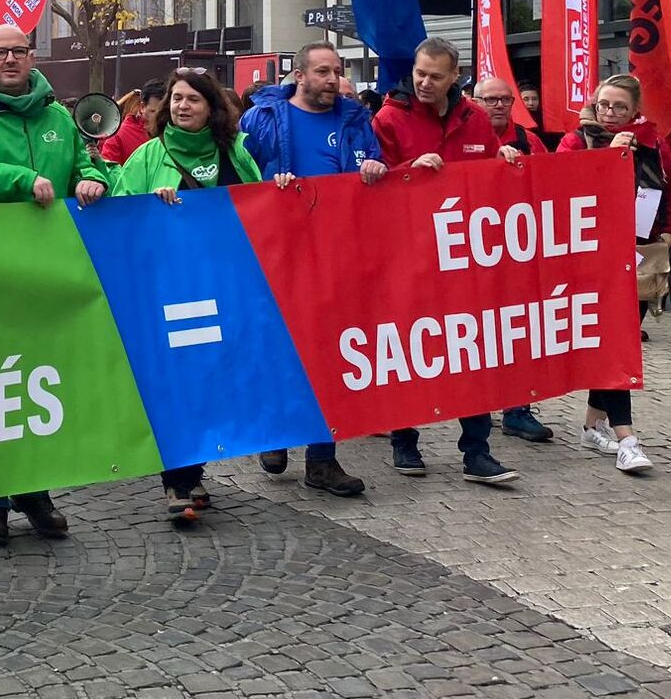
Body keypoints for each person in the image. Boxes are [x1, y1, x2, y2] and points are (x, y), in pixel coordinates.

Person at [0, 24, 108, 546]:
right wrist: (19, 179)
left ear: (31, 57)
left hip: (51, 274)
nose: (10, 59)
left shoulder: (59, 117)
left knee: (41, 384)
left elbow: (87, 164)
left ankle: (34, 490)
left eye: (19, 51)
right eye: (0, 52)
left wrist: (92, 178)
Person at [120, 68, 303, 519]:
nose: (183, 106)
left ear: (211, 109)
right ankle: (177, 479)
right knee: (182, 379)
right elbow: (121, 220)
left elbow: (256, 208)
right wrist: (149, 207)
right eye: (176, 99)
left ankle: (199, 467)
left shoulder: (236, 152)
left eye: (193, 100)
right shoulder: (146, 158)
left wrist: (275, 190)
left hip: (227, 285)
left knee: (218, 374)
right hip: (174, 289)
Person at [237, 44, 386, 495]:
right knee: (280, 345)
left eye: (336, 71)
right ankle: (275, 431)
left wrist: (378, 168)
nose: (331, 79)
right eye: (322, 71)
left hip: (335, 253)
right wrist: (269, 187)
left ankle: (322, 459)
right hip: (278, 253)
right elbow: (242, 175)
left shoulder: (355, 120)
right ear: (299, 75)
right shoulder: (261, 119)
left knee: (330, 354)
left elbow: (372, 167)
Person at [373, 38, 523, 485]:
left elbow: (488, 180)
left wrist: (504, 158)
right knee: (409, 345)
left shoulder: (474, 118)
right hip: (409, 253)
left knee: (472, 349)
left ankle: (476, 450)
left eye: (435, 76)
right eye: (420, 72)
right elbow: (369, 185)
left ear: (455, 76)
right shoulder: (389, 118)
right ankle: (405, 441)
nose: (424, 82)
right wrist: (408, 172)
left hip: (464, 254)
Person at [557, 74, 671, 473]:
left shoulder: (654, 143)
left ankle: (592, 425)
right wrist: (606, 156)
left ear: (636, 111)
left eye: (620, 108)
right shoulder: (577, 140)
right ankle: (627, 436)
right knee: (616, 344)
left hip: (641, 255)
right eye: (604, 105)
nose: (610, 114)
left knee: (617, 340)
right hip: (592, 256)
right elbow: (560, 186)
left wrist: (669, 233)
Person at [471, 77, 557, 443]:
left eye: (505, 99)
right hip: (471, 252)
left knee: (518, 330)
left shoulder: (528, 140)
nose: (499, 106)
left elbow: (552, 183)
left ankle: (518, 409)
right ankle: (478, 405)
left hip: (518, 250)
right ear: (473, 101)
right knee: (477, 332)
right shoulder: (463, 139)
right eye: (490, 100)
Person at [99, 79, 166, 165]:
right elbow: (109, 171)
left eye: (164, 112)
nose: (159, 117)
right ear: (142, 107)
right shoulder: (119, 136)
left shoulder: (174, 132)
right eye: (153, 111)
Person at [519, 85, 564, 151]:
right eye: (526, 99)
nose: (531, 103)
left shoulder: (547, 120)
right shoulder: (516, 121)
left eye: (534, 99)